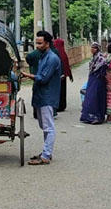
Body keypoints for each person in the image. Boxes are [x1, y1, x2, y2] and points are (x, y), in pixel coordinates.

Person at [21, 31, 62, 165]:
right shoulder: (44, 56)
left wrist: (27, 75)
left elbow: (43, 78)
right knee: (44, 125)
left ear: (47, 43)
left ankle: (46, 155)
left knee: (48, 127)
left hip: (47, 96)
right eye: (36, 43)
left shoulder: (52, 58)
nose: (37, 46)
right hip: (41, 95)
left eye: (40, 43)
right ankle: (46, 152)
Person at [80, 42, 108, 124]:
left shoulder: (101, 58)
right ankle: (88, 117)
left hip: (98, 80)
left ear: (98, 48)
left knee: (96, 98)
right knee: (89, 98)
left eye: (95, 47)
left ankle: (98, 117)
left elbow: (103, 70)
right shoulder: (94, 58)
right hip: (92, 79)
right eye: (92, 47)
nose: (92, 49)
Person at [53, 38, 73, 112]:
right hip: (63, 76)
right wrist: (69, 75)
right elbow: (67, 65)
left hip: (57, 76)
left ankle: (57, 106)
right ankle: (62, 105)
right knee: (63, 91)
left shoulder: (55, 52)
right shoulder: (63, 53)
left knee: (57, 91)